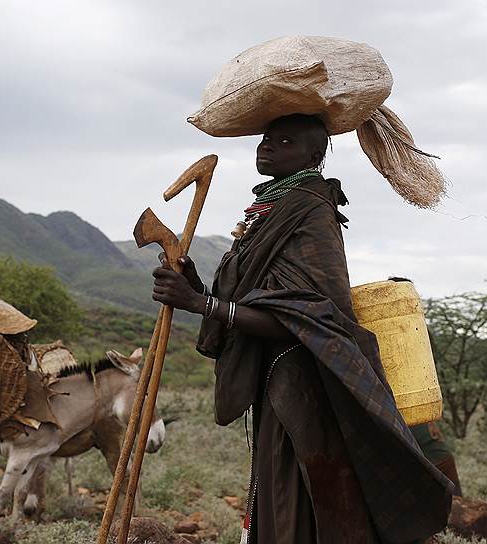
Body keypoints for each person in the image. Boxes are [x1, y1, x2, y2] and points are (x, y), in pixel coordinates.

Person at [151, 114, 453, 543]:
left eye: (285, 141)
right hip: (276, 383)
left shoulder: (310, 209)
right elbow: (256, 299)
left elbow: (311, 315)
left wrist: (203, 303)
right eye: (267, 138)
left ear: (314, 155)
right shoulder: (271, 210)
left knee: (302, 500)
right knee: (279, 494)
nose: (267, 146)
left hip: (306, 387)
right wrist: (195, 287)